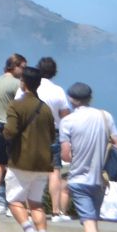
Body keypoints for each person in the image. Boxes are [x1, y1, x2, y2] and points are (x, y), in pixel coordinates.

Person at [59, 81, 117, 232]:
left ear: (71, 99)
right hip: (100, 179)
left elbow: (66, 156)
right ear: (90, 97)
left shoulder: (67, 122)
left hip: (79, 178)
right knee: (91, 221)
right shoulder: (105, 116)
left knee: (89, 222)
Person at [4, 65, 56, 232]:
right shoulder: (46, 109)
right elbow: (52, 136)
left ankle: (29, 231)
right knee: (36, 203)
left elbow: (9, 131)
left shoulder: (16, 106)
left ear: (22, 83)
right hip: (43, 163)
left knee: (14, 200)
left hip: (21, 161)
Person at [29, 57, 73, 221]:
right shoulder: (58, 91)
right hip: (52, 132)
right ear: (54, 72)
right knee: (54, 171)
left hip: (32, 132)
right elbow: (65, 116)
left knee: (31, 170)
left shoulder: (32, 88)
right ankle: (56, 211)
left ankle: (29, 208)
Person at [0, 54, 27, 212]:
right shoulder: (18, 84)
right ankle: (13, 205)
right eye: (22, 67)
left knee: (0, 164)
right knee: (14, 166)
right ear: (15, 66)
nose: (23, 71)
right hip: (12, 126)